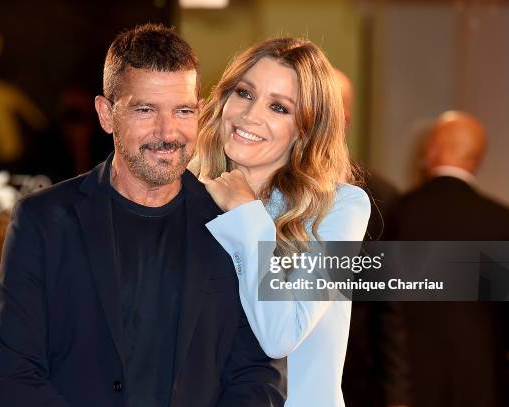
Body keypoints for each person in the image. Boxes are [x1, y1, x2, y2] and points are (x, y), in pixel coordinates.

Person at [0, 24, 285, 407]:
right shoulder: (43, 221)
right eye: (145, 110)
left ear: (201, 112)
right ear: (107, 114)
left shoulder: (234, 223)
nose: (168, 131)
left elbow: (259, 375)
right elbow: (13, 377)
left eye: (183, 111)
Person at [191, 38, 371, 406]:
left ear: (305, 129)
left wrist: (245, 212)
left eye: (278, 107)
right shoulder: (189, 196)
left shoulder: (339, 208)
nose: (250, 115)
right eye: (244, 93)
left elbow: (280, 334)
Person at [386, 111, 509, 407]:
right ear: (477, 158)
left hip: (407, 387)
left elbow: (380, 313)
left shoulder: (398, 214)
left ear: (431, 151)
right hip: (482, 384)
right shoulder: (501, 222)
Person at [334, 69, 410, 407]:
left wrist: (395, 399)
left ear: (345, 120)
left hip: (354, 382)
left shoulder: (378, 196)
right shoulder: (254, 188)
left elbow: (389, 311)